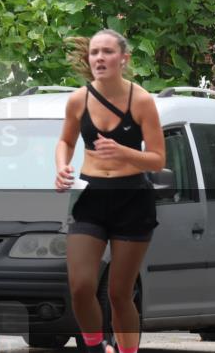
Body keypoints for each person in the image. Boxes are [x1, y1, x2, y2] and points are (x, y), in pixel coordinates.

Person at [54, 29, 165, 353]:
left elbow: (158, 159)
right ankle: (96, 345)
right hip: (92, 197)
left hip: (132, 199)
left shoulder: (141, 100)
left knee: (119, 293)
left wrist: (124, 152)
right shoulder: (79, 99)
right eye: (94, 52)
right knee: (80, 286)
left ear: (123, 59)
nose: (99, 58)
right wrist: (62, 166)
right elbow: (65, 141)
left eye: (107, 52)